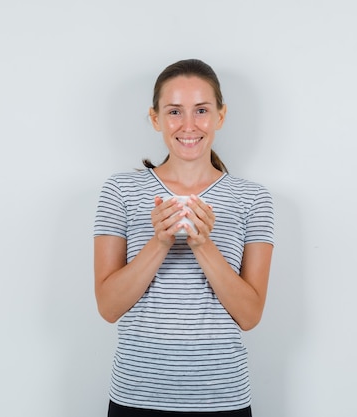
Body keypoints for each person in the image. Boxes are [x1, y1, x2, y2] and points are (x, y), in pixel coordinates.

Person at [93, 59, 275, 417]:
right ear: (156, 118)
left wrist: (204, 245)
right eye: (174, 111)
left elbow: (250, 315)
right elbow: (108, 307)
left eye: (202, 110)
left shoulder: (253, 198)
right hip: (136, 395)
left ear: (220, 116)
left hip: (222, 398)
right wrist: (158, 243)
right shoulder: (121, 190)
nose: (188, 125)